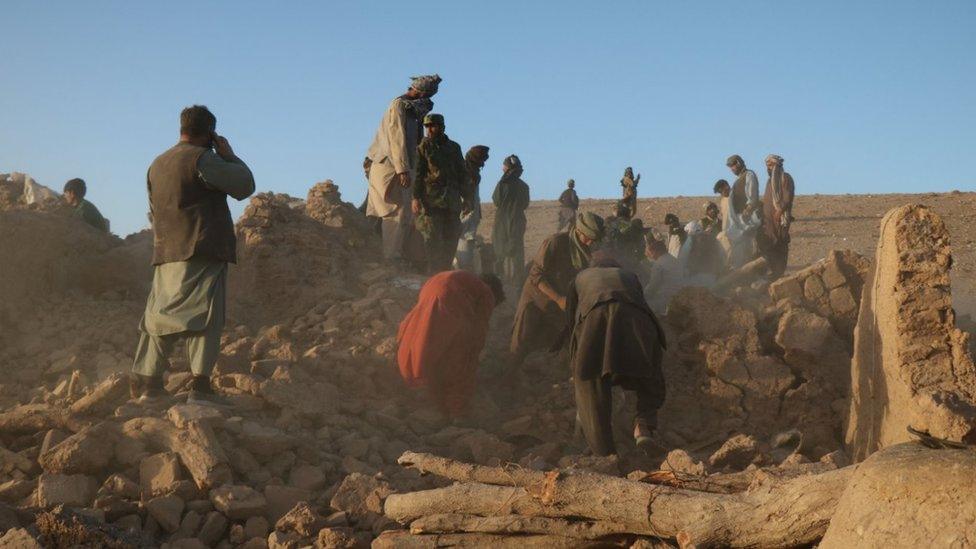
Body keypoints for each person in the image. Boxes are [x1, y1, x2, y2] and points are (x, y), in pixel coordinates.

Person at [131, 105, 255, 405]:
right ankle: (200, 387)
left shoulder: (157, 164)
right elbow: (244, 186)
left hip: (166, 252)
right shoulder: (204, 159)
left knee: (160, 316)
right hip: (202, 248)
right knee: (206, 315)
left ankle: (149, 384)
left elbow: (153, 209)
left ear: (182, 128)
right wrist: (230, 156)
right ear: (210, 133)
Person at [561, 256, 667, 456]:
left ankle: (604, 452)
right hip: (637, 321)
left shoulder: (580, 277)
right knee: (650, 373)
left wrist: (576, 362)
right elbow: (642, 304)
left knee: (589, 383)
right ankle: (643, 427)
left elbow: (572, 322)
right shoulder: (629, 276)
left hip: (595, 320)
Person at [397, 270, 505, 417]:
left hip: (431, 286)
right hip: (450, 299)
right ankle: (457, 412)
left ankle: (417, 381)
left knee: (423, 337)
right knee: (461, 354)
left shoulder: (463, 279)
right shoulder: (486, 293)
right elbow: (478, 334)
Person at [510, 212, 605, 369]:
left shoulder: (589, 250)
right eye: (587, 238)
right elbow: (535, 275)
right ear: (578, 230)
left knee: (568, 337)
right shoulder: (555, 242)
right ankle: (509, 378)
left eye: (593, 240)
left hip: (562, 301)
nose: (589, 242)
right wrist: (558, 299)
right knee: (522, 340)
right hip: (537, 298)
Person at [365, 74, 442, 264]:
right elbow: (396, 139)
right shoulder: (399, 106)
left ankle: (392, 255)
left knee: (404, 212)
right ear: (420, 92)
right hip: (390, 166)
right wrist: (402, 169)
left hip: (402, 165)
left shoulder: (412, 110)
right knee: (394, 211)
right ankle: (390, 257)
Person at [412, 113, 469, 274]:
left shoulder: (454, 147)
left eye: (433, 126)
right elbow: (418, 174)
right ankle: (434, 275)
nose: (430, 130)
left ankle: (445, 273)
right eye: (427, 126)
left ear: (442, 127)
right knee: (433, 240)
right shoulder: (423, 147)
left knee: (451, 240)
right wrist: (415, 197)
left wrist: (468, 197)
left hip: (452, 202)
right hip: (432, 202)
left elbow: (462, 173)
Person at [491, 155, 530, 282]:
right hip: (518, 219)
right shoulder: (524, 186)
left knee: (499, 249)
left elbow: (496, 200)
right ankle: (518, 280)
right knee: (517, 249)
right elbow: (525, 204)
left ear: (507, 168)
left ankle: (500, 279)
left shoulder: (502, 184)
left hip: (502, 220)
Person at [757, 154, 795, 279]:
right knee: (769, 244)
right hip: (768, 222)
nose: (769, 169)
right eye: (767, 166)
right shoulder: (770, 182)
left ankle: (779, 273)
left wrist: (780, 210)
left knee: (780, 243)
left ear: (777, 166)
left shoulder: (785, 178)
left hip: (779, 219)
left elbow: (787, 197)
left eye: (771, 165)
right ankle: (772, 273)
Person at [455, 145, 490, 271]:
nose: (482, 164)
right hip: (465, 216)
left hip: (469, 216)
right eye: (481, 160)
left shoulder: (471, 172)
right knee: (464, 249)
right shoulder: (466, 172)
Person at [713, 175, 758, 270]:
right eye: (720, 193)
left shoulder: (737, 197)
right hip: (728, 232)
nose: (722, 194)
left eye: (722, 191)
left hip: (740, 231)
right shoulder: (723, 200)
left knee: (744, 254)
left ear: (727, 186)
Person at [643, 237, 685, 315]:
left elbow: (653, 285)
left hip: (664, 299)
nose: (649, 255)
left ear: (655, 252)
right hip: (678, 296)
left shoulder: (658, 264)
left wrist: (643, 295)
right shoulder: (674, 260)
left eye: (650, 252)